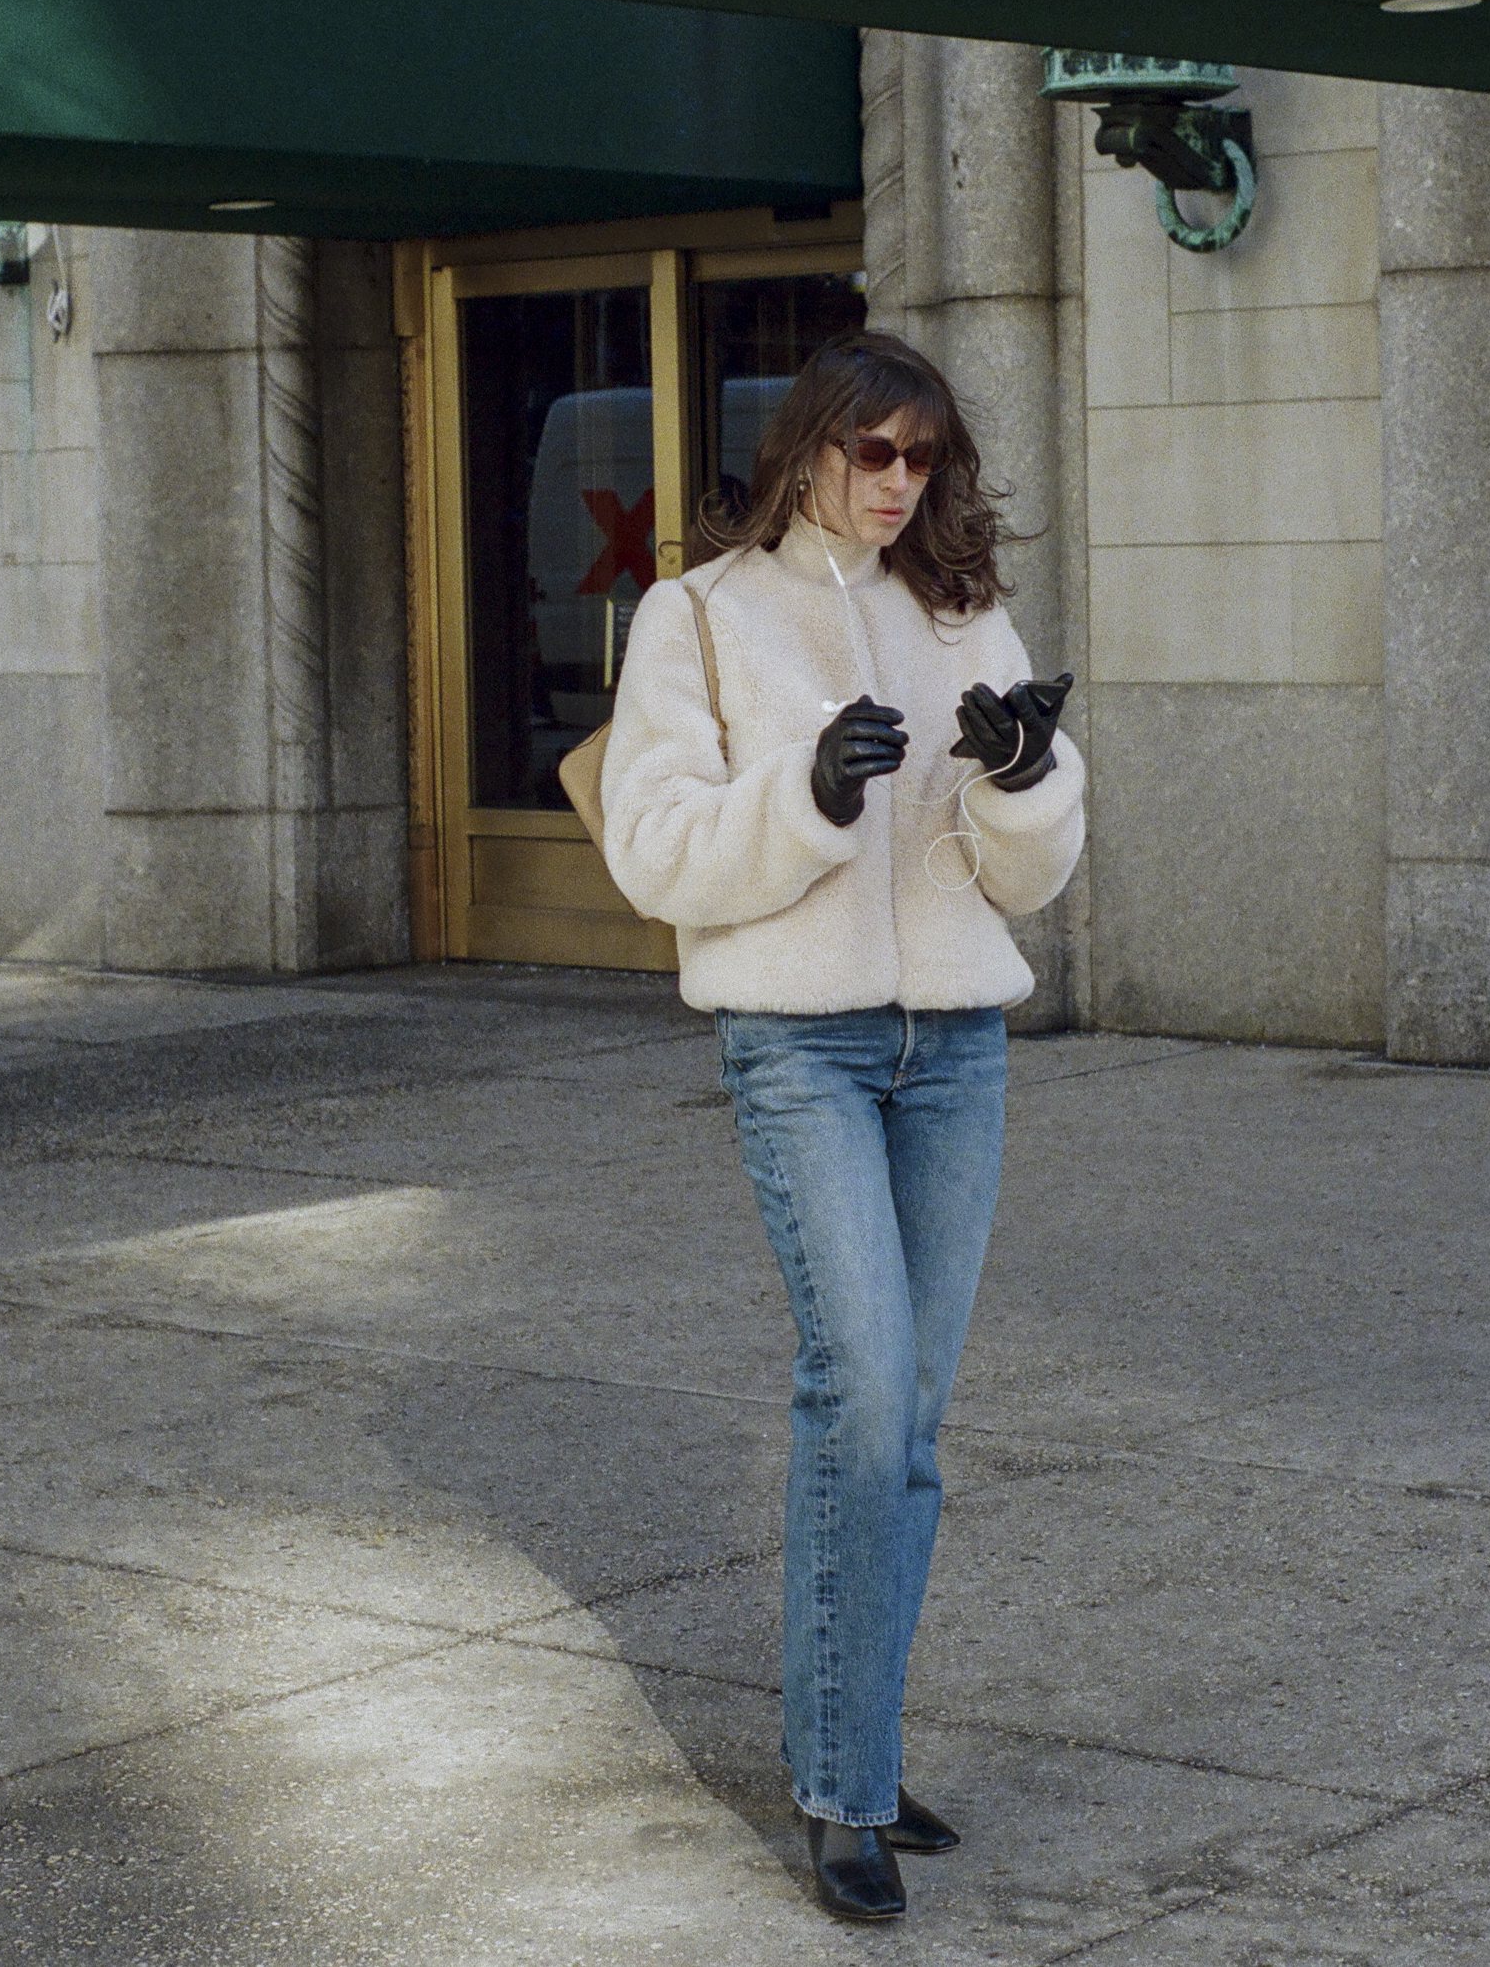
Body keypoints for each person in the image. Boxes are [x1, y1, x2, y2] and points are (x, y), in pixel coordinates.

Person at [600, 332, 1085, 1925]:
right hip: (799, 1050)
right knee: (860, 1390)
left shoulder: (957, 610)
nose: (896, 484)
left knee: (914, 1421)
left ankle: (856, 1753)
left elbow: (1029, 870)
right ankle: (838, 1791)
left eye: (920, 458)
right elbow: (654, 845)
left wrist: (1024, 778)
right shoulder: (700, 616)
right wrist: (807, 789)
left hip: (954, 1047)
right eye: (870, 452)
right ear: (807, 447)